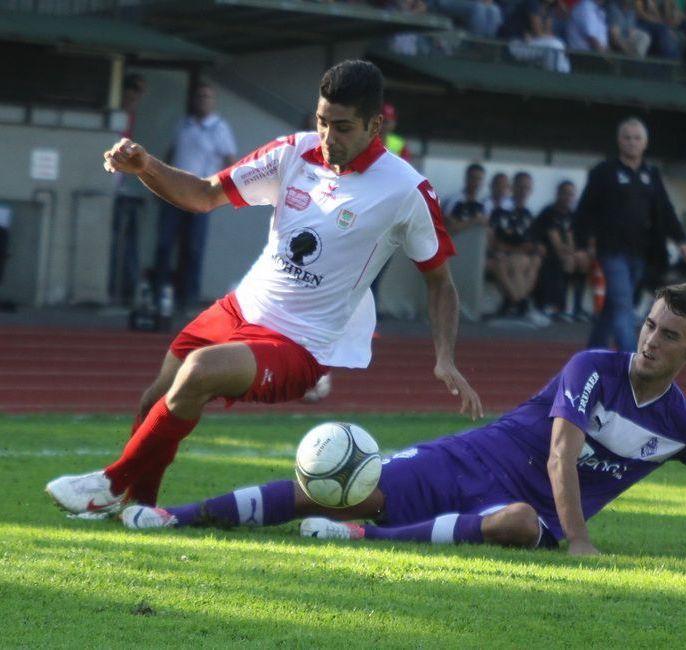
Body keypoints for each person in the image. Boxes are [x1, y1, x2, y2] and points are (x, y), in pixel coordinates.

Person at [45, 60, 482, 517]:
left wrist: (445, 357)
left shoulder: (407, 190)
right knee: (156, 397)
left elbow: (440, 283)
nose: (329, 136)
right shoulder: (293, 152)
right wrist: (145, 166)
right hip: (239, 308)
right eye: (321, 121)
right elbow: (203, 193)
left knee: (199, 371)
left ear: (376, 125)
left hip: (298, 343)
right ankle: (139, 508)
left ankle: (111, 483)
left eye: (343, 127)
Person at [120, 284, 686, 563]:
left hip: (527, 509)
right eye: (649, 325)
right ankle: (174, 518)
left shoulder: (683, 425)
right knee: (331, 485)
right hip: (469, 459)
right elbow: (561, 452)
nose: (649, 340)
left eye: (669, 336)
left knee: (517, 523)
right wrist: (580, 541)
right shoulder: (591, 367)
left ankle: (363, 537)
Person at [577, 117, 686, 352]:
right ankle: (632, 359)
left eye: (637, 138)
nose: (632, 142)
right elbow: (585, 209)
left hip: (640, 251)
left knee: (613, 306)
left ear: (645, 143)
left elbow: (665, 209)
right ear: (619, 141)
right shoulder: (604, 171)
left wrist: (680, 239)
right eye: (627, 137)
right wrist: (581, 244)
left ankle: (591, 354)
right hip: (611, 250)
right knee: (623, 306)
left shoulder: (651, 174)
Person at [153, 81, 237, 312]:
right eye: (199, 97)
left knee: (193, 247)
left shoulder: (220, 128)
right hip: (174, 192)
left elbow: (231, 162)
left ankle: (187, 296)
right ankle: (158, 291)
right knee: (164, 243)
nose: (203, 101)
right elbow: (171, 153)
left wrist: (221, 192)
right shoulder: (183, 124)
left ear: (213, 102)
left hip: (200, 194)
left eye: (207, 97)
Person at [487, 171, 548, 324]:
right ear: (512, 187)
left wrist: (537, 248)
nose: (523, 191)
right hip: (502, 256)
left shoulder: (528, 214)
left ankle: (516, 303)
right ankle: (522, 303)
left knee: (534, 261)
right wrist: (518, 250)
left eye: (527, 188)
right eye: (520, 187)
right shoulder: (501, 211)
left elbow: (534, 241)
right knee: (518, 261)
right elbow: (493, 242)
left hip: (522, 257)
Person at [108, 73, 147, 306]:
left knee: (127, 239)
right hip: (109, 187)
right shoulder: (117, 118)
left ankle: (127, 287)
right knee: (115, 240)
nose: (136, 99)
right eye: (133, 92)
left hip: (120, 186)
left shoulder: (129, 117)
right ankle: (116, 286)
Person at [532, 180, 591, 321]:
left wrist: (581, 252)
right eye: (564, 193)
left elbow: (577, 239)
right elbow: (556, 244)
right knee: (567, 260)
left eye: (570, 194)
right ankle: (558, 306)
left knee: (583, 260)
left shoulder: (572, 216)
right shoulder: (549, 213)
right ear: (558, 194)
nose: (567, 197)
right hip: (548, 254)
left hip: (566, 253)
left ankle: (577, 307)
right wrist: (572, 253)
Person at [442, 163, 488, 235]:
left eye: (479, 179)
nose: (476, 182)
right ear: (466, 178)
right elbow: (447, 228)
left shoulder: (483, 203)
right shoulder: (453, 201)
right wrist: (474, 221)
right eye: (473, 178)